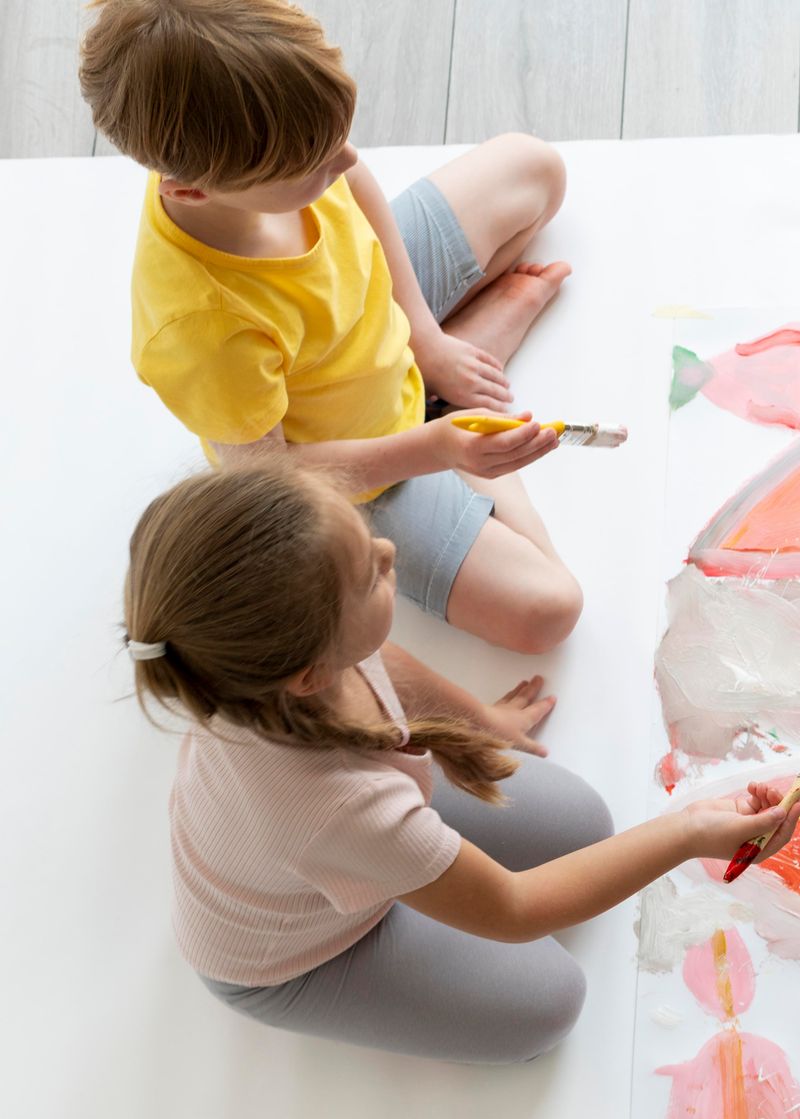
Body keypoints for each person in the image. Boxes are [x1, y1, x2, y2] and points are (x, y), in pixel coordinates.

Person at [122, 463, 800, 1063]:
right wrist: (686, 833)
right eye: (371, 574)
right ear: (309, 672)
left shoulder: (270, 674)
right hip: (297, 956)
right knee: (549, 1000)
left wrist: (482, 721)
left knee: (585, 824)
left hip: (340, 840)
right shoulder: (335, 809)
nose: (389, 549)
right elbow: (514, 907)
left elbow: (383, 662)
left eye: (367, 539)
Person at [81, 0, 583, 652]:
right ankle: (457, 399)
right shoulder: (203, 331)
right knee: (550, 609)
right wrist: (441, 446)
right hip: (363, 466)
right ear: (190, 192)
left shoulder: (290, 149)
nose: (344, 162)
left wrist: (425, 337)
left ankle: (448, 361)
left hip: (386, 305)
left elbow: (357, 183)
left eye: (337, 136)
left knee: (536, 167)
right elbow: (272, 475)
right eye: (315, 166)